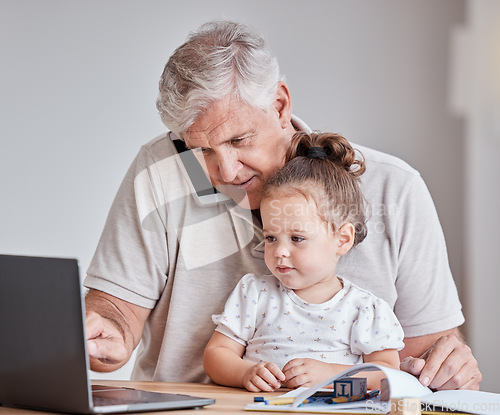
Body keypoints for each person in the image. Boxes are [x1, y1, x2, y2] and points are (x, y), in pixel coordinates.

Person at [84, 19, 481, 390]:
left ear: (279, 105)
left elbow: (417, 361)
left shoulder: (395, 188)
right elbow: (115, 312)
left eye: (239, 140)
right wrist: (106, 334)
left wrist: (446, 368)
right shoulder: (164, 169)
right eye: (200, 150)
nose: (224, 170)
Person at [203, 131, 404, 392]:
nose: (280, 252)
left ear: (342, 239)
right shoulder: (254, 294)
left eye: (297, 238)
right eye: (272, 237)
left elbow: (388, 372)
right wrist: (244, 372)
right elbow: (216, 354)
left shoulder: (363, 309)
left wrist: (332, 375)